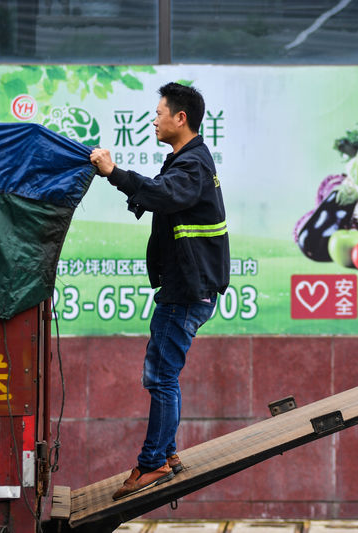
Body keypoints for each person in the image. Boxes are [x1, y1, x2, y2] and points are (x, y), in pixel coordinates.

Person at [90, 82, 230, 500]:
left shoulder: (192, 166)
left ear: (180, 118)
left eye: (158, 113)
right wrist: (131, 189)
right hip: (186, 285)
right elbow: (161, 195)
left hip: (188, 290)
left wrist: (115, 174)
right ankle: (166, 455)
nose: (153, 120)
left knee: (161, 377)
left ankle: (152, 463)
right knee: (163, 375)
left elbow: (166, 194)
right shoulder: (186, 160)